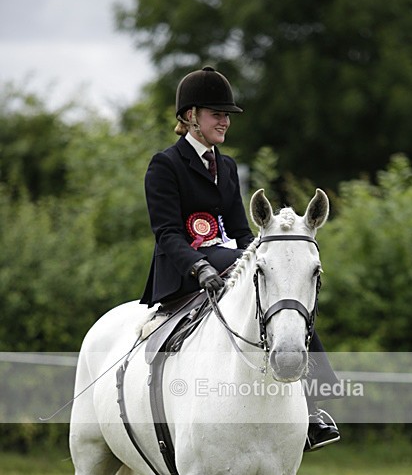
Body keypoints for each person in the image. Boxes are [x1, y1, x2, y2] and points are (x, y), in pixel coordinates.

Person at [140, 65, 339, 451]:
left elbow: (245, 233)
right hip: (184, 268)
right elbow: (166, 233)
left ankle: (314, 407)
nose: (225, 122)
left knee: (289, 297)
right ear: (190, 116)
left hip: (230, 262)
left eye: (227, 115)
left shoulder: (226, 166)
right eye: (217, 114)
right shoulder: (165, 165)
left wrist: (261, 259)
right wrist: (199, 266)